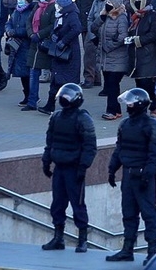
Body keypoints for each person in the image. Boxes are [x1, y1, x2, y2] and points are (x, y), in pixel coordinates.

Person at [106, 88, 156, 265]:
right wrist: (112, 169)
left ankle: (152, 252)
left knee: (149, 215)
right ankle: (127, 250)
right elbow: (119, 149)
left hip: (143, 177)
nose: (128, 106)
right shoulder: (124, 124)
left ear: (139, 104)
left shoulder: (152, 125)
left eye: (130, 103)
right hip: (128, 176)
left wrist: (147, 175)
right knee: (128, 214)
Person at [41, 83, 97, 253]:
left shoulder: (83, 119)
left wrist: (83, 167)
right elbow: (50, 142)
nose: (64, 99)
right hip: (59, 168)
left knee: (78, 205)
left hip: (74, 169)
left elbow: (90, 147)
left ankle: (82, 240)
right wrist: (46, 161)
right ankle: (58, 238)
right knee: (57, 205)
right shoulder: (56, 117)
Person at [38, 0, 82, 115]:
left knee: (66, 82)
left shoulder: (72, 15)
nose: (56, 5)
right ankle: (50, 105)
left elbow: (77, 29)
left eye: (58, 3)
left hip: (68, 54)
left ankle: (69, 107)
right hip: (59, 53)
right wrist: (53, 35)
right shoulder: (62, 14)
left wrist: (63, 40)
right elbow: (56, 27)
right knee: (55, 80)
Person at [91, 0, 128, 120]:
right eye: (107, 2)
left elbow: (122, 37)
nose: (108, 5)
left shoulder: (121, 18)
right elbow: (93, 28)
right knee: (110, 85)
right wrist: (101, 16)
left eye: (111, 3)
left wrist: (108, 46)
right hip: (105, 59)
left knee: (112, 84)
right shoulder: (105, 16)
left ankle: (111, 110)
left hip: (117, 59)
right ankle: (116, 110)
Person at [127, 0, 156, 116]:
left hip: (149, 55)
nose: (136, 2)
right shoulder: (135, 16)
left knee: (147, 83)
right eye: (134, 0)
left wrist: (139, 40)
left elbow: (155, 33)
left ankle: (153, 106)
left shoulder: (153, 16)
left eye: (139, 0)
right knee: (139, 83)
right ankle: (142, 107)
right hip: (137, 56)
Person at [23, 0, 56, 112]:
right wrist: (31, 33)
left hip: (46, 45)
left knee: (54, 75)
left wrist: (40, 34)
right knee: (33, 73)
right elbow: (28, 21)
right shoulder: (37, 6)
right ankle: (32, 101)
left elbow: (52, 25)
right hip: (34, 45)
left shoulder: (53, 7)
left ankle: (51, 101)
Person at [75, 0, 102, 89]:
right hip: (83, 19)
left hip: (92, 21)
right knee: (90, 50)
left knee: (90, 52)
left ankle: (89, 78)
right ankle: (96, 77)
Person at [5, 0, 34, 106]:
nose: (19, 1)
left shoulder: (31, 12)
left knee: (27, 73)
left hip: (26, 46)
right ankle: (26, 95)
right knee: (22, 73)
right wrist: (8, 30)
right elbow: (9, 22)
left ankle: (30, 96)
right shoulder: (17, 11)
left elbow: (29, 30)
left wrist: (15, 32)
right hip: (17, 47)